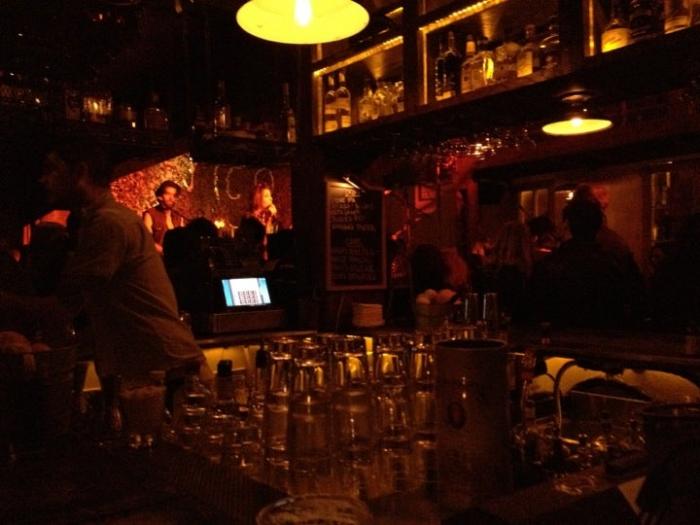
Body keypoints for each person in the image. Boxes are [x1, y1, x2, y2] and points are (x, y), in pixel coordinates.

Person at [1, 138, 211, 387]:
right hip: (161, 367)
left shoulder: (108, 223)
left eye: (51, 169)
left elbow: (63, 309)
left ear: (80, 173)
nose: (43, 179)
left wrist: (7, 302)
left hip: (165, 374)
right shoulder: (107, 220)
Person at [531, 199, 643, 328]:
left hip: (562, 335)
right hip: (606, 335)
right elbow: (637, 303)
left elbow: (534, 311)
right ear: (598, 225)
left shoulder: (550, 265)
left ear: (569, 224)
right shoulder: (616, 263)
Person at [143, 180, 187, 254]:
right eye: (168, 194)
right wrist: (166, 253)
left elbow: (184, 240)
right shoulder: (150, 214)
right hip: (156, 258)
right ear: (160, 196)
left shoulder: (179, 217)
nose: (171, 198)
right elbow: (147, 241)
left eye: (174, 195)